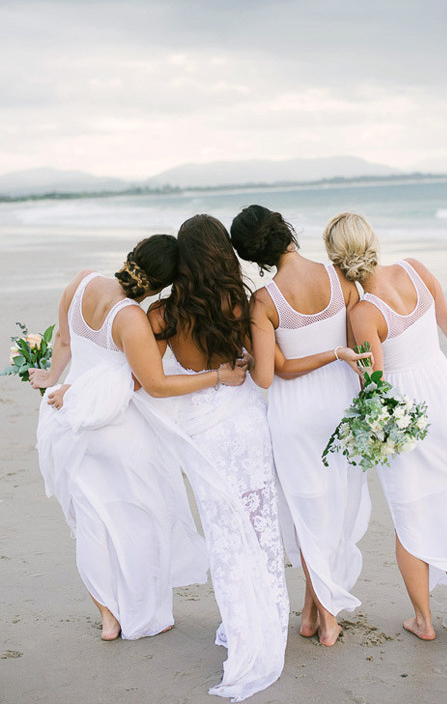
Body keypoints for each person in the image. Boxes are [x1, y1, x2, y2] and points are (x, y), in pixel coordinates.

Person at [29, 234, 246, 642]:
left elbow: (64, 340)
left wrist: (52, 379)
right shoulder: (131, 317)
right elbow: (155, 384)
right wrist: (220, 375)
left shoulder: (81, 282)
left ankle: (109, 617)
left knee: (93, 522)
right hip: (117, 427)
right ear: (161, 285)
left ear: (133, 255)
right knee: (144, 517)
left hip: (68, 419)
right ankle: (146, 614)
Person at [323, 212, 447, 640]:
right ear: (373, 240)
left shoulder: (363, 312)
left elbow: (372, 383)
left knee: (411, 512)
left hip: (404, 417)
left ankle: (424, 621)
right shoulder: (416, 269)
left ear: (336, 261)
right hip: (443, 398)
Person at [145, 215, 289, 701]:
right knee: (259, 521)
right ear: (223, 254)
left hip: (203, 432)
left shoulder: (163, 316)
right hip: (245, 421)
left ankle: (242, 625)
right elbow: (257, 361)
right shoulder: (239, 302)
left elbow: (152, 383)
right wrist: (238, 367)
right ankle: (268, 619)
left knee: (224, 530)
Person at [230, 204, 372, 647]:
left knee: (309, 514)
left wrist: (250, 360)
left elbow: (273, 374)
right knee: (333, 511)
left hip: (294, 414)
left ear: (254, 255)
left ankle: (323, 618)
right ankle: (312, 613)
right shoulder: (340, 279)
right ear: (285, 230)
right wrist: (336, 356)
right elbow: (358, 350)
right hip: (340, 407)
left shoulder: (264, 300)